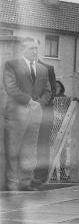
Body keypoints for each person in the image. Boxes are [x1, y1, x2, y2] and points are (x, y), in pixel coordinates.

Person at [3, 37, 52, 191]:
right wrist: (29, 102)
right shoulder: (11, 65)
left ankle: (25, 182)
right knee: (14, 149)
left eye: (36, 48)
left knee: (30, 150)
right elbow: (11, 87)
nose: (35, 51)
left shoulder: (43, 69)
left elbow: (48, 91)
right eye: (31, 48)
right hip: (16, 115)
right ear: (23, 49)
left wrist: (39, 104)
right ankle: (12, 183)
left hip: (35, 115)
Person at [32, 58, 57, 185]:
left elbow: (53, 90)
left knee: (42, 144)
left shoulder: (48, 68)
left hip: (45, 111)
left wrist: (38, 105)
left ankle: (40, 175)